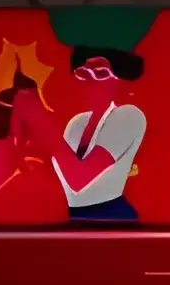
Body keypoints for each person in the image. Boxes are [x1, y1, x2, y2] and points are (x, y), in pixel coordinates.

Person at [44, 44, 147, 223]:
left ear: (118, 80)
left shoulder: (129, 116)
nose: (90, 82)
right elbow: (65, 179)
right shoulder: (77, 123)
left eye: (100, 73)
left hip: (112, 217)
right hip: (75, 218)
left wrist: (41, 124)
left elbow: (79, 179)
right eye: (84, 74)